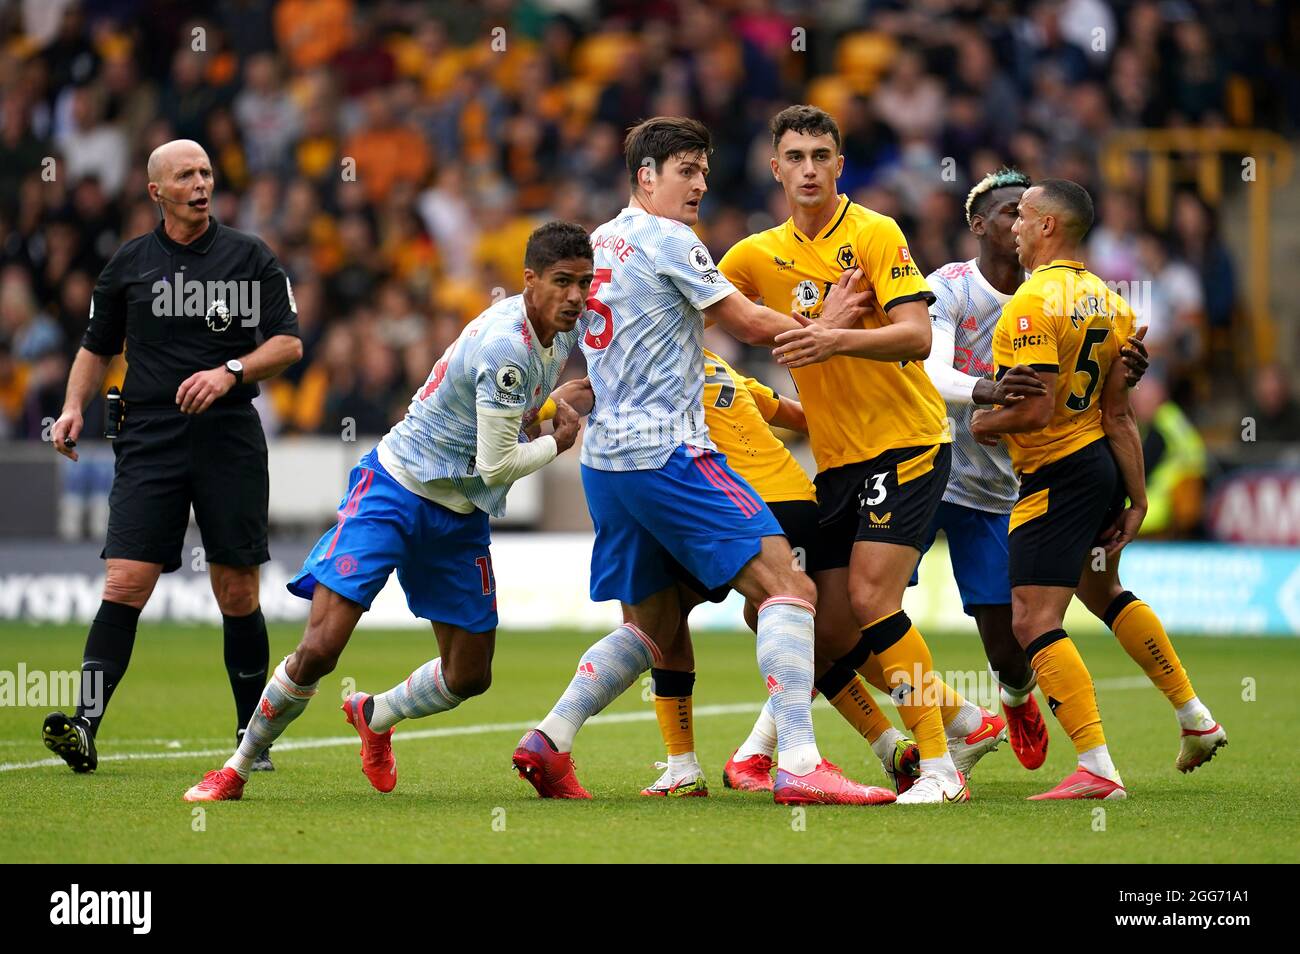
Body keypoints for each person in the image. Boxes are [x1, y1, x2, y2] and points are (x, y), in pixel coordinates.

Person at [513, 116, 892, 806]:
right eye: (687, 170)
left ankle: (552, 736)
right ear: (646, 177)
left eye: (704, 171)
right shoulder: (669, 238)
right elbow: (745, 322)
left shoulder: (600, 243)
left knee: (653, 627)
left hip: (606, 468)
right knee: (791, 590)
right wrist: (828, 327)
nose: (701, 184)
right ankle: (800, 764)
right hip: (669, 454)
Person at [181, 222, 593, 801]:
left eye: (583, 282)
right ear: (529, 280)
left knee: (470, 675)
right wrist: (558, 440)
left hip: (457, 510)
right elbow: (499, 465)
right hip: (396, 488)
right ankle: (237, 767)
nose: (576, 295)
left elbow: (505, 413)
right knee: (321, 647)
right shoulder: (507, 343)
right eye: (562, 282)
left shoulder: (554, 334)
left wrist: (551, 405)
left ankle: (374, 715)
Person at [719, 105, 985, 803]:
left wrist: (832, 339)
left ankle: (938, 768)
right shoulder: (752, 255)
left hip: (906, 442)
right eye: (795, 157)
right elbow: (699, 310)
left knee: (871, 598)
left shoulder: (874, 232)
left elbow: (917, 337)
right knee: (830, 624)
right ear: (774, 167)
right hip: (835, 462)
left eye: (821, 156)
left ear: (839, 165)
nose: (809, 169)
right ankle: (962, 719)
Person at [43, 139, 302, 774]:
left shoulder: (251, 256)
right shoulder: (128, 263)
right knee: (126, 580)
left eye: (206, 172)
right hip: (149, 438)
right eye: (185, 175)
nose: (200, 183)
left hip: (228, 437)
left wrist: (231, 370)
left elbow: (289, 345)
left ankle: (251, 734)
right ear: (156, 190)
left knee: (236, 589)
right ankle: (84, 723)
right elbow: (95, 345)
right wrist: (74, 406)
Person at [971, 179, 1227, 800]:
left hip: (1056, 472)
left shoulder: (1030, 306)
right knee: (1101, 587)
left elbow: (1034, 411)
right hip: (1101, 468)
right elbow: (1118, 415)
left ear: (1050, 227)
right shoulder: (1111, 305)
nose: (1015, 226)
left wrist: (984, 422)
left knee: (1033, 620)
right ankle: (1195, 717)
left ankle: (1096, 767)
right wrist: (1137, 498)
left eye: (1025, 217)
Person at [920, 168, 1150, 770]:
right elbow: (931, 373)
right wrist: (990, 394)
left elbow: (1101, 393)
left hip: (1001, 486)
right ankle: (779, 743)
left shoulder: (1053, 298)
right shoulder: (948, 287)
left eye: (1024, 212)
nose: (1015, 222)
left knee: (1009, 640)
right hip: (928, 464)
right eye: (1006, 213)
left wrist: (1121, 364)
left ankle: (1016, 699)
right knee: (861, 606)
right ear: (979, 225)